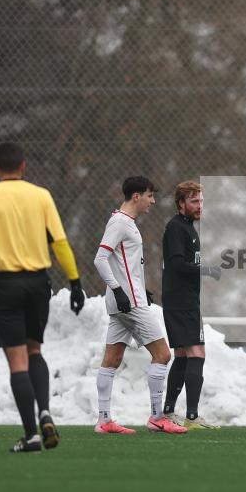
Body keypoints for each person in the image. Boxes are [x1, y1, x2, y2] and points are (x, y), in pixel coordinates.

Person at [0, 142, 86, 452]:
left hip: (5, 285)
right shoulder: (41, 196)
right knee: (35, 349)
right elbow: (59, 243)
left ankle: (31, 435)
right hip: (37, 285)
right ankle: (45, 410)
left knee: (16, 361)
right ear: (23, 166)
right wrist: (75, 281)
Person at [93, 176, 187, 435]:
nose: (152, 201)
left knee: (112, 359)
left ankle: (103, 420)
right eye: (149, 196)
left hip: (126, 300)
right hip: (129, 303)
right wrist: (119, 290)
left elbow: (122, 263)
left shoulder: (126, 223)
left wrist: (137, 287)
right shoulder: (120, 223)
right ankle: (157, 417)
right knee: (163, 355)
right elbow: (100, 259)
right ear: (136, 196)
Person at [161, 181, 222, 429]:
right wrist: (205, 270)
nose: (200, 206)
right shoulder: (177, 228)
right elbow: (175, 264)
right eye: (194, 201)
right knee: (198, 353)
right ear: (180, 204)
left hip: (182, 300)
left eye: (201, 201)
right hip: (182, 302)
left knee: (183, 356)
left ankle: (168, 411)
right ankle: (193, 417)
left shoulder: (188, 228)